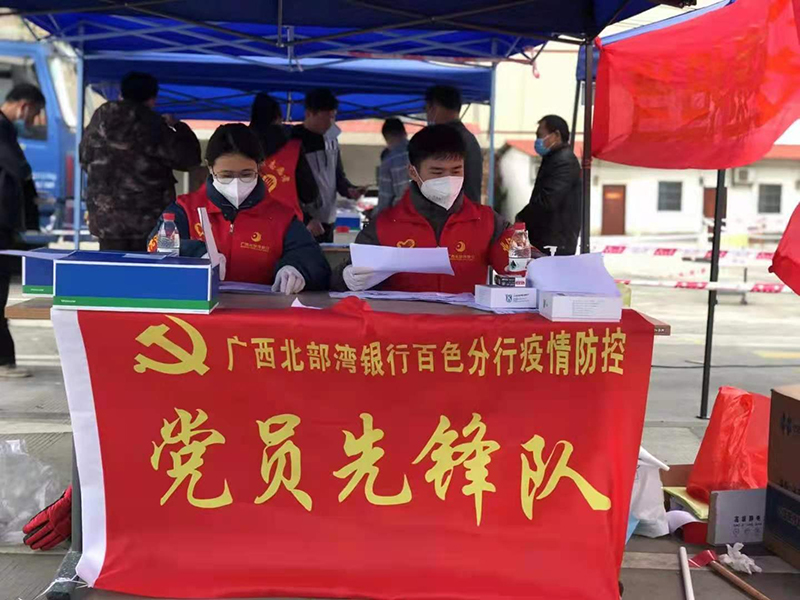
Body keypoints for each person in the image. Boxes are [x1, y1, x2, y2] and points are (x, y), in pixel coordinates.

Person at [150, 123, 330, 293]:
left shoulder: (281, 217)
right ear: (210, 168)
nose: (236, 183)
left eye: (246, 174)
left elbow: (314, 259)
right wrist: (197, 253)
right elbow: (155, 244)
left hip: (262, 310)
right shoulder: (185, 209)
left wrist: (296, 269)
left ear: (259, 166)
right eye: (226, 175)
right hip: (198, 308)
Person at [333, 125, 513, 294]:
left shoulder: (488, 221)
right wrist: (347, 277)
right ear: (413, 172)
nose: (448, 179)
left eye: (456, 171)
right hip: (403, 317)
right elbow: (338, 278)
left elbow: (517, 263)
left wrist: (523, 262)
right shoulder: (384, 225)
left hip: (468, 317)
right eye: (437, 172)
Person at [80, 72, 201, 252]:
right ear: (152, 99)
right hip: (148, 219)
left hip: (107, 219)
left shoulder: (99, 121)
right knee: (149, 267)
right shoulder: (152, 124)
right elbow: (189, 159)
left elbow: (84, 158)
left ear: (121, 94)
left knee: (110, 266)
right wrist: (179, 126)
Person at [0, 83, 44, 379]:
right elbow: (18, 167)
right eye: (35, 113)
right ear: (24, 105)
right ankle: (3, 361)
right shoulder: (2, 128)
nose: (33, 120)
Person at [291, 88, 365, 243]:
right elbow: (286, 187)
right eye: (327, 117)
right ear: (309, 113)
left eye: (333, 117)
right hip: (303, 223)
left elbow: (338, 176)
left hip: (329, 220)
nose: (331, 123)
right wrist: (306, 219)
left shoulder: (332, 139)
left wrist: (349, 190)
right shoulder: (293, 140)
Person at [516, 115, 582, 256]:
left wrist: (522, 217)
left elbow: (548, 201)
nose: (537, 141)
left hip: (555, 243)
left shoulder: (564, 162)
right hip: (548, 239)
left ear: (556, 135)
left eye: (540, 135)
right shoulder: (554, 158)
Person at [249, 93, 320, 219]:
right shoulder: (294, 149)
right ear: (278, 119)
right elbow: (309, 194)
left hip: (248, 222)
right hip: (287, 223)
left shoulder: (238, 147)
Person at [425, 85, 483, 204]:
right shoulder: (469, 139)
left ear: (434, 108)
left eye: (427, 109)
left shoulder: (442, 141)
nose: (427, 115)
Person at [374, 118, 409, 217]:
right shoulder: (423, 153)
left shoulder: (389, 161)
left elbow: (384, 201)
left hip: (403, 217)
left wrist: (373, 215)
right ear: (405, 133)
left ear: (386, 137)